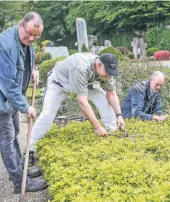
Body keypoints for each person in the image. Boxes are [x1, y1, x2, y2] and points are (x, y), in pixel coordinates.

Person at [29, 52, 125, 159]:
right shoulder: (80, 66)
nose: (109, 75)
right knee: (47, 114)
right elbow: (82, 102)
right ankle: (31, 149)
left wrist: (119, 115)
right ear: (99, 65)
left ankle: (112, 131)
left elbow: (111, 94)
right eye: (108, 72)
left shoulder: (106, 71)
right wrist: (97, 127)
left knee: (103, 99)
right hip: (59, 82)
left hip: (85, 83)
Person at [0, 12, 48, 194]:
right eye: (29, 33)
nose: (32, 38)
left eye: (36, 36)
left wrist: (34, 69)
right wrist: (26, 106)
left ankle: (22, 170)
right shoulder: (5, 46)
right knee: (7, 140)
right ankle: (20, 183)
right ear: (21, 25)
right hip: (2, 102)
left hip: (11, 100)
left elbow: (26, 60)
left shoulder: (26, 41)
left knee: (15, 134)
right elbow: (8, 85)